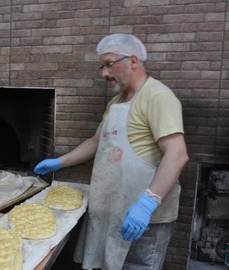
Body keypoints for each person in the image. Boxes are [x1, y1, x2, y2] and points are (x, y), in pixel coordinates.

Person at [34, 33, 189, 270]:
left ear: (133, 61)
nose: (103, 73)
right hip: (114, 210)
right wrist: (59, 162)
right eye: (102, 65)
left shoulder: (157, 96)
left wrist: (147, 204)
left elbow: (177, 154)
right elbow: (97, 142)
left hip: (142, 219)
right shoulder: (116, 102)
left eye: (109, 64)